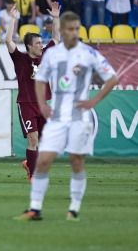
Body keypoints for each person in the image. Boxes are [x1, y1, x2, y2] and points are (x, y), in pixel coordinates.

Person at [15, 11, 118, 222]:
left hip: (80, 117)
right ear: (62, 30)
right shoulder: (52, 54)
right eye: (70, 29)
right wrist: (43, 104)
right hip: (57, 117)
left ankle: (74, 208)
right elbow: (40, 79)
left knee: (76, 161)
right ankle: (35, 208)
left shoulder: (88, 53)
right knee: (43, 160)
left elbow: (112, 78)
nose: (74, 33)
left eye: (77, 29)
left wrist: (94, 101)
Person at [5, 1, 60, 180]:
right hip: (26, 103)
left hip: (43, 103)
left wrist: (56, 18)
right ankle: (33, 174)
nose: (41, 45)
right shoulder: (20, 59)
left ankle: (30, 163)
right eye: (37, 43)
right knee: (33, 138)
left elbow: (56, 39)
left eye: (41, 42)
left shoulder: (46, 54)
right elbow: (8, 40)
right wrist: (13, 19)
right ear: (29, 46)